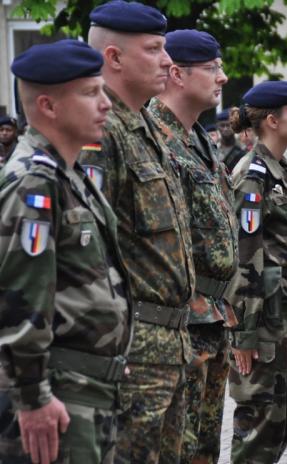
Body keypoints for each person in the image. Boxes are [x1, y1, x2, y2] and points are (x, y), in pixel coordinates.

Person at [0, 39, 131, 464]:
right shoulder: (34, 182)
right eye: (91, 93)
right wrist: (33, 398)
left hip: (86, 389)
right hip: (58, 394)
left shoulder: (66, 173)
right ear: (48, 106)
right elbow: (18, 299)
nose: (106, 104)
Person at [80, 2, 196, 462]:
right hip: (133, 352)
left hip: (168, 347)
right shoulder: (101, 132)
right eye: (153, 49)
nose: (167, 61)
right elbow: (87, 253)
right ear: (114, 57)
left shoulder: (145, 125)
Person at [148, 30, 239, 464]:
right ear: (177, 74)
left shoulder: (200, 140)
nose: (223, 77)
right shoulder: (155, 140)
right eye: (212, 68)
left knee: (204, 451)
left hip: (212, 319)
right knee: (177, 451)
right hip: (181, 323)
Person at [225, 80, 287, 463]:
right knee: (258, 427)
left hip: (280, 314)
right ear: (273, 121)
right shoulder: (253, 175)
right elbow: (245, 256)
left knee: (276, 427)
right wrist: (243, 334)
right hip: (260, 320)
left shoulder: (281, 171)